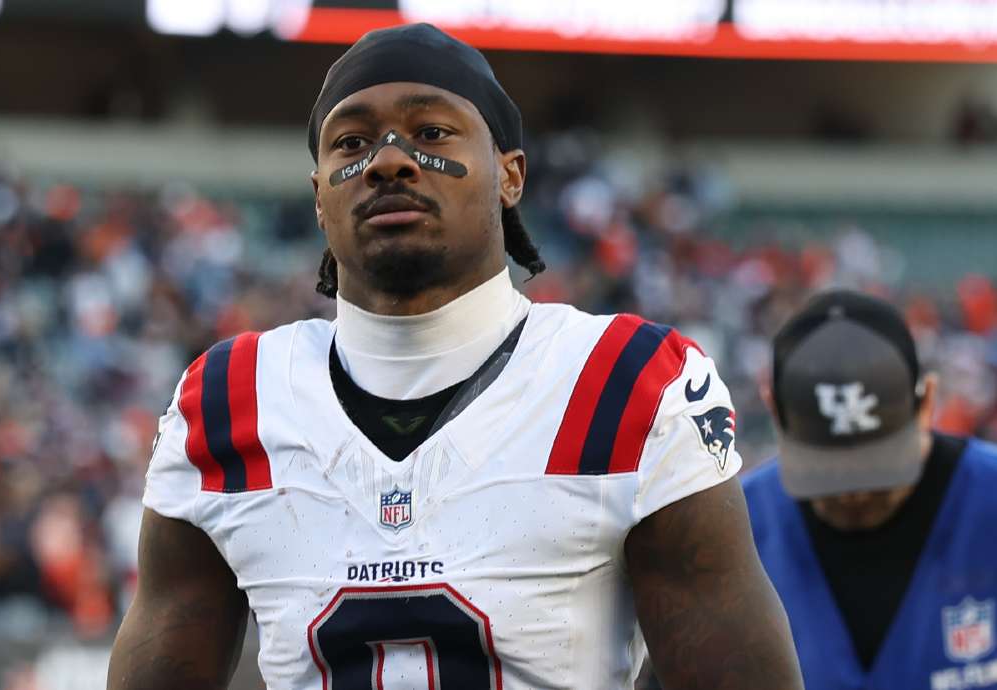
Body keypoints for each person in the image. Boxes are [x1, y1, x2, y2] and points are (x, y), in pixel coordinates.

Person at [109, 23, 801, 690]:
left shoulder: (628, 381)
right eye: (351, 141)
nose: (387, 159)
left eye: (431, 132)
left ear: (510, 175)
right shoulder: (229, 399)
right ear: (320, 197)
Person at [744, 289, 997, 690]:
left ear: (928, 402)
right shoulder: (736, 530)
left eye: (878, 468)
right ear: (774, 413)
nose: (852, 495)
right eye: (826, 471)